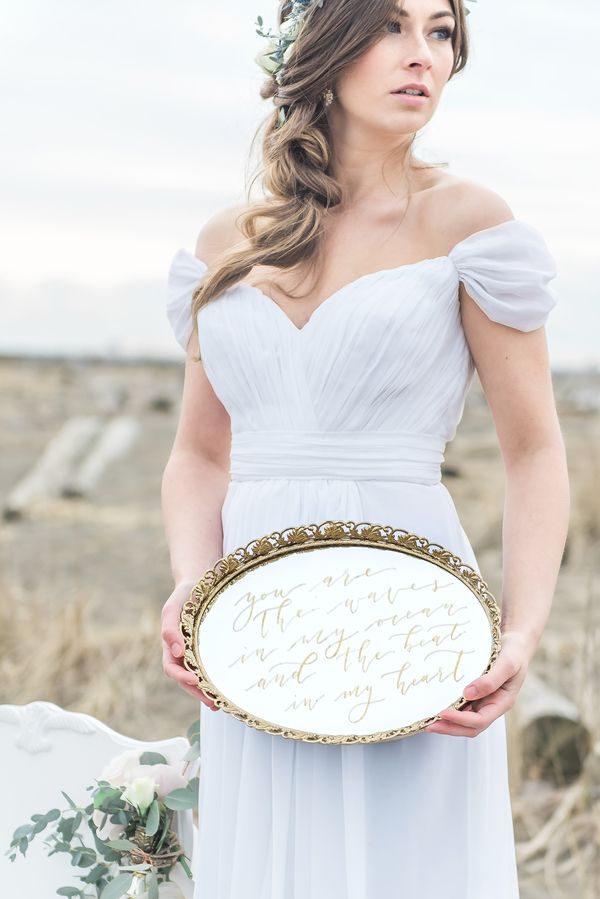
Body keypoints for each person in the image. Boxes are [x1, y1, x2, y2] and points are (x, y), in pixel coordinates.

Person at [160, 0, 570, 896]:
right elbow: (198, 453)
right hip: (255, 625)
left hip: (413, 618)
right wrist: (195, 582)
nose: (422, 54)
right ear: (322, 43)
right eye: (391, 25)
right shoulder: (225, 243)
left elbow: (535, 451)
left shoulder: (470, 225)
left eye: (441, 31)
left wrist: (521, 631)